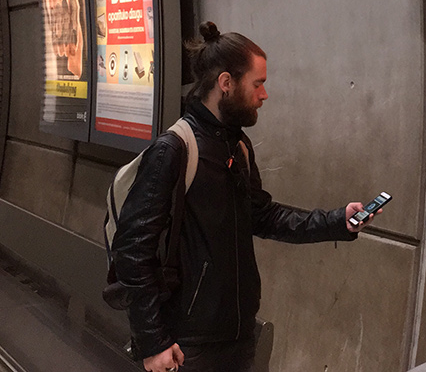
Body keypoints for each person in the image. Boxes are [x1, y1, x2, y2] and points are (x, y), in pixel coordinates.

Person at [110, 22, 378, 372]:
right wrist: (153, 342)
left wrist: (336, 221)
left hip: (237, 334)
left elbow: (262, 216)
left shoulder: (236, 146)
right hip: (187, 343)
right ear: (226, 83)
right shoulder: (173, 150)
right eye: (258, 83)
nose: (264, 95)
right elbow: (132, 250)